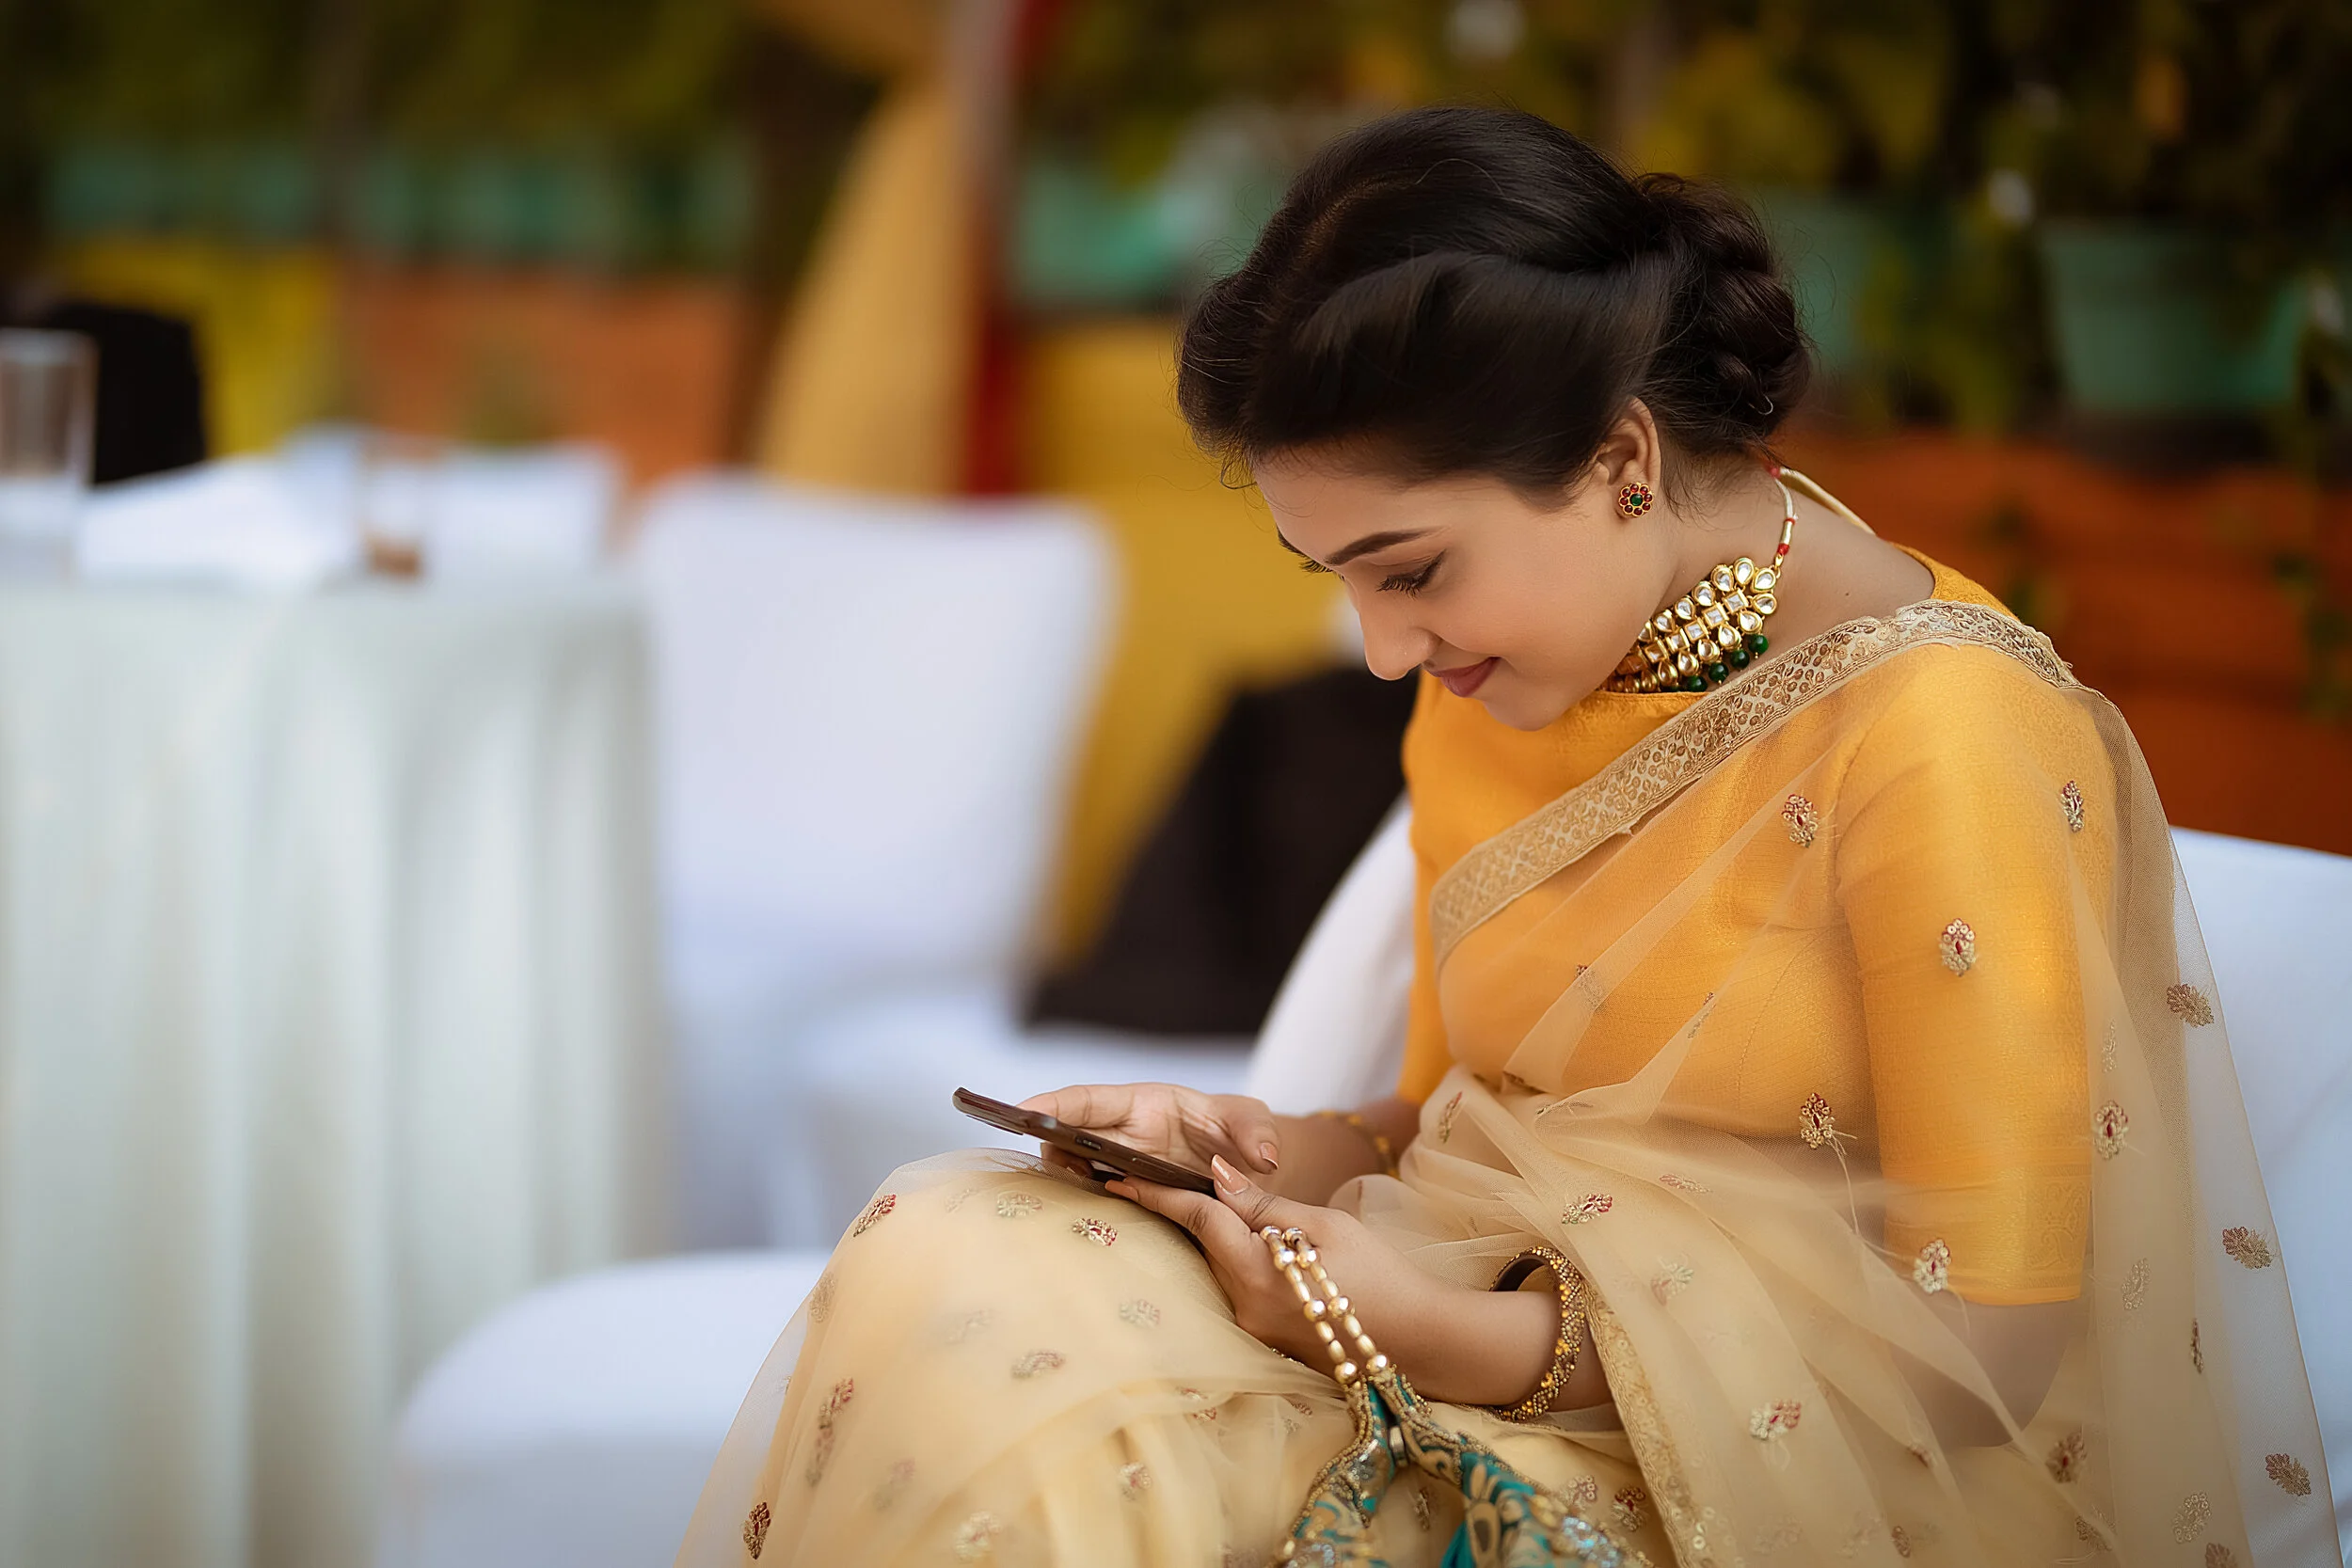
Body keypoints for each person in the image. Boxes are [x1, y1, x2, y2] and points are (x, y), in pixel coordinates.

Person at [674, 106, 2330, 1567]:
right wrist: (1242, 1153)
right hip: (1453, 1319)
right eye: (1344, 584)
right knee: (956, 1239)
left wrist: (1465, 1341)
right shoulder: (1509, 673)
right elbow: (1447, 1124)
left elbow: (1991, 1343)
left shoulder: (1941, 731)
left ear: (1620, 458)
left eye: (1411, 570)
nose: (1388, 652)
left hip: (1793, 1485)